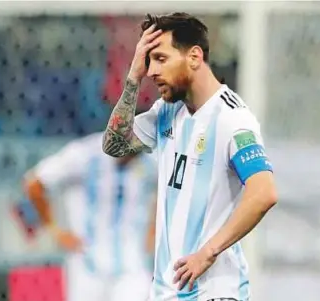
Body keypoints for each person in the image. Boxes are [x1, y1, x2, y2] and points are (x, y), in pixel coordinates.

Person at [102, 12, 278, 301]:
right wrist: (132, 78)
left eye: (160, 59)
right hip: (168, 292)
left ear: (194, 57)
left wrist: (207, 253)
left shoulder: (232, 118)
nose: (151, 71)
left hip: (214, 292)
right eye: (148, 61)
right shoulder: (167, 112)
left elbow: (264, 193)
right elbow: (114, 146)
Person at [23, 132, 157, 301]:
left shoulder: (150, 159)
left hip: (132, 264)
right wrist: (55, 230)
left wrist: (154, 227)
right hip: (87, 264)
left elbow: (170, 189)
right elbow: (34, 183)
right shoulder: (83, 154)